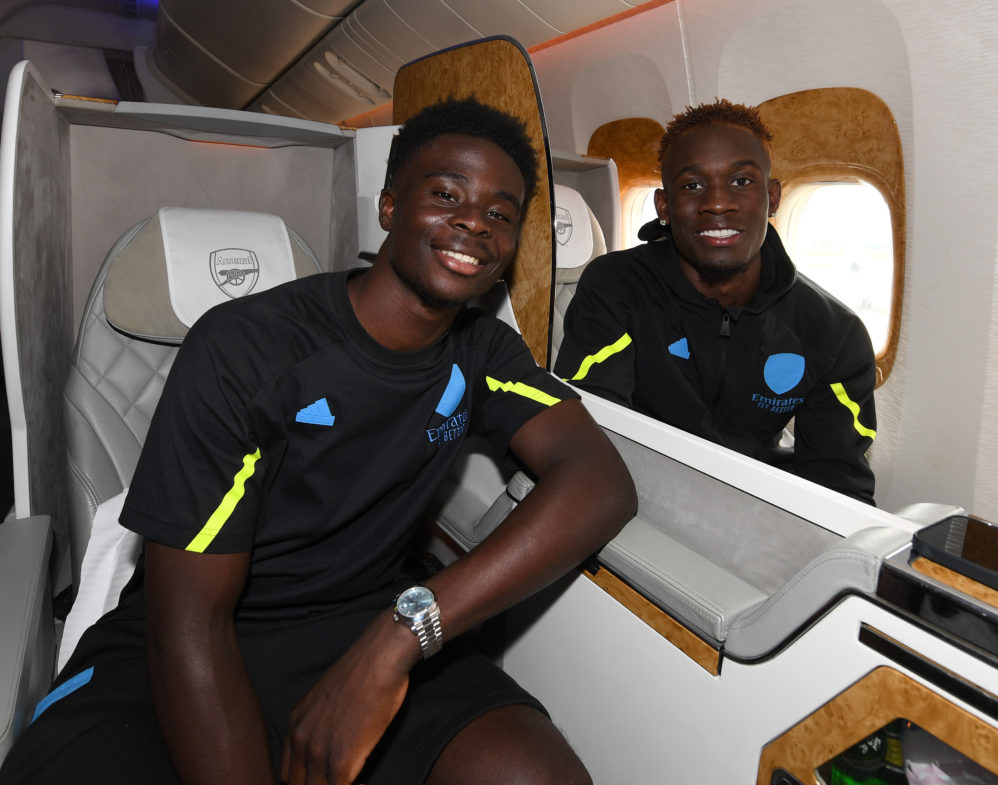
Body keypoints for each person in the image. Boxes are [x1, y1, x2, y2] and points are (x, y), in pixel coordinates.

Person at [0, 97, 636, 785]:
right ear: (390, 206)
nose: (473, 222)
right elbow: (189, 623)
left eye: (500, 214)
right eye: (447, 193)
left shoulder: (484, 351)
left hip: (365, 622)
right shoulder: (247, 348)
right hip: (199, 636)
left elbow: (600, 482)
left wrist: (403, 634)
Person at [554, 98, 876, 504]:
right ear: (664, 206)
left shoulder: (832, 332)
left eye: (741, 181)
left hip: (753, 506)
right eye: (692, 185)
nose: (718, 202)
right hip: (635, 492)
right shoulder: (618, 286)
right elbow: (595, 425)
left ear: (773, 198)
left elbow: (840, 485)